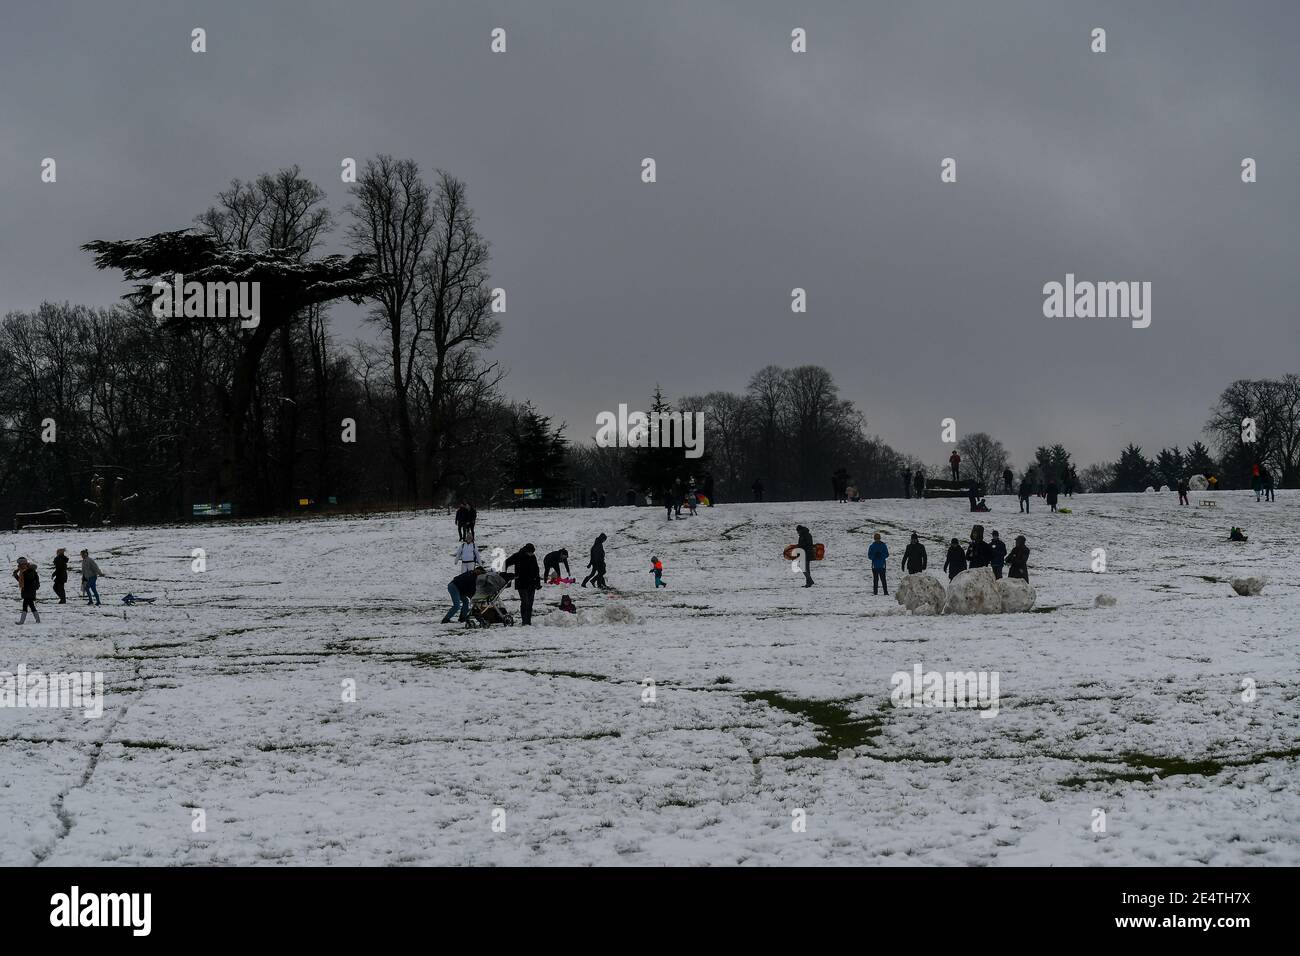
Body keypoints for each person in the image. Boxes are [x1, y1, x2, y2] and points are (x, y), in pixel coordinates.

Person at [504, 544, 541, 625]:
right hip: (521, 583)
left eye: (533, 552)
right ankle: (524, 621)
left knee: (530, 603)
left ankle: (528, 621)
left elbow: (536, 569)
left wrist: (538, 582)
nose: (532, 554)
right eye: (530, 552)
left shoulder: (533, 557)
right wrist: (506, 575)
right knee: (525, 601)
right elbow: (506, 563)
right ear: (526, 551)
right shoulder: (517, 556)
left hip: (532, 583)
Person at [14, 557, 40, 624]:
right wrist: (16, 575)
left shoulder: (29, 570)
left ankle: (22, 621)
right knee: (31, 606)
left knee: (25, 606)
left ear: (23, 563)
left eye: (19, 564)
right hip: (27, 591)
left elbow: (28, 580)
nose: (18, 565)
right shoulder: (24, 571)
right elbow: (22, 581)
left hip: (29, 591)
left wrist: (22, 572)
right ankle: (38, 620)